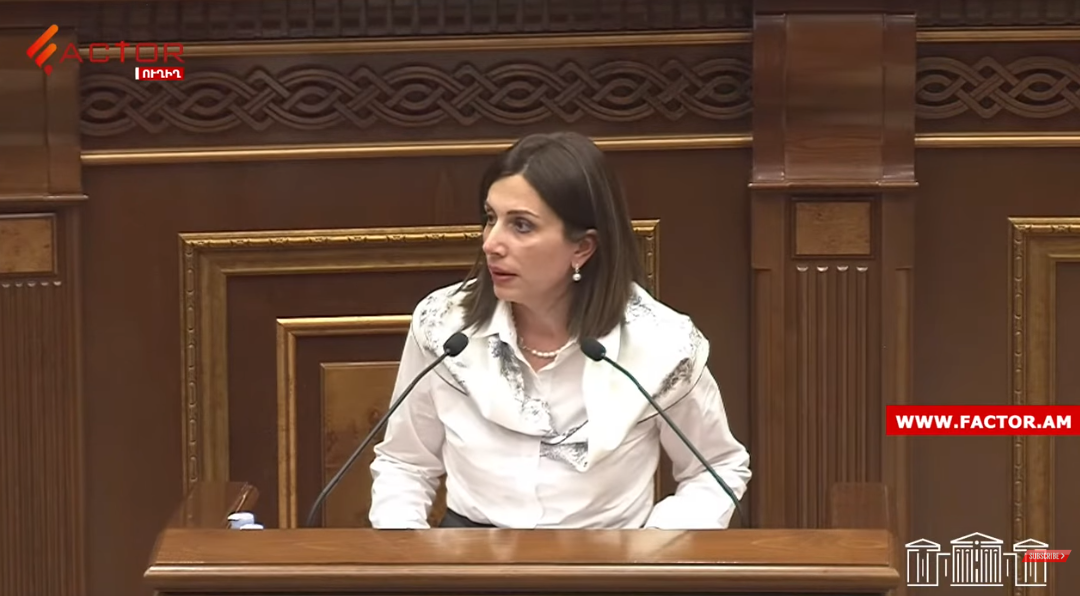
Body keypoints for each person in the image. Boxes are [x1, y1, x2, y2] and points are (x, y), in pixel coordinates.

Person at [368, 131, 751, 529]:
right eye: (490, 218)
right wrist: (407, 551)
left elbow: (717, 469)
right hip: (469, 553)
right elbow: (405, 463)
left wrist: (652, 549)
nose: (491, 243)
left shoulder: (662, 345)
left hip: (609, 554)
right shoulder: (444, 325)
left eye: (521, 225)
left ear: (582, 248)